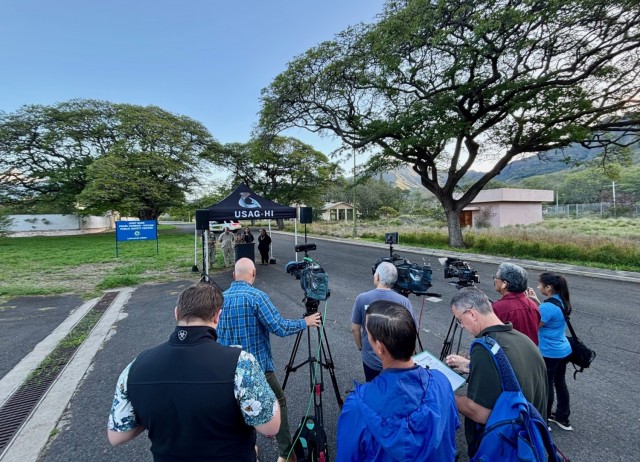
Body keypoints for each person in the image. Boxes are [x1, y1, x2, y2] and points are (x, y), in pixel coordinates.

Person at [107, 281, 280, 461]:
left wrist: (154, 414)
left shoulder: (136, 366)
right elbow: (270, 427)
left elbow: (117, 436)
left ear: (176, 314)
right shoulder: (241, 363)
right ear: (217, 316)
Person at [217, 258, 322, 462]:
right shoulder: (256, 297)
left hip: (226, 369)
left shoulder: (220, 298)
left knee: (238, 407)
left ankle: (248, 449)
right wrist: (305, 322)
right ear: (254, 273)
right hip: (258, 369)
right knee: (278, 400)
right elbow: (279, 327)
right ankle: (285, 453)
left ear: (234, 275)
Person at [337, 300, 460, 461]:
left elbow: (347, 456)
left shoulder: (357, 406)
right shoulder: (441, 382)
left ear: (380, 348)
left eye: (368, 334)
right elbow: (451, 430)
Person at [445, 287, 547, 459]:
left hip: (502, 445)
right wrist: (470, 366)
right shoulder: (523, 339)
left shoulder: (484, 348)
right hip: (529, 440)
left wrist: (443, 392)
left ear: (471, 314)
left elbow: (480, 413)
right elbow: (512, 374)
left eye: (459, 320)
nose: (461, 326)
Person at [351, 262, 417, 382]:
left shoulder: (362, 298)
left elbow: (355, 329)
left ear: (377, 277)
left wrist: (361, 347)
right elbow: (412, 330)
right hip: (396, 359)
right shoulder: (404, 301)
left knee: (374, 388)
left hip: (371, 359)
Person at [527, 272, 574, 431]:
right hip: (563, 350)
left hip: (549, 352)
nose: (537, 287)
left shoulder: (546, 307)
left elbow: (534, 324)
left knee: (546, 386)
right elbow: (549, 316)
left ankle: (544, 420)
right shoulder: (562, 301)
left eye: (540, 285)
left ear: (548, 287)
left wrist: (530, 303)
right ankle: (563, 417)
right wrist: (536, 301)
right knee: (560, 383)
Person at [492, 262, 541, 345]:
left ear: (505, 284)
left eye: (496, 277)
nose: (494, 280)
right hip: (531, 353)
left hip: (509, 355)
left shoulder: (498, 308)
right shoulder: (532, 305)